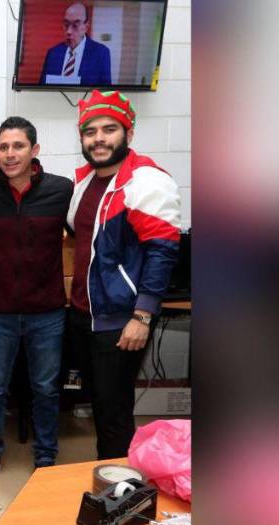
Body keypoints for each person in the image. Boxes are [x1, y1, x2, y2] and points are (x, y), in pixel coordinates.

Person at [66, 90, 181, 459]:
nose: (98, 138)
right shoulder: (85, 182)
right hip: (85, 314)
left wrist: (142, 316)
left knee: (113, 412)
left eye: (109, 129)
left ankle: (120, 485)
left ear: (128, 133)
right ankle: (112, 473)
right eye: (90, 131)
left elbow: (162, 251)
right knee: (100, 403)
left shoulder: (145, 181)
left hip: (121, 319)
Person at [0, 117, 74, 488]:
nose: (10, 154)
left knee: (45, 389)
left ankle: (46, 457)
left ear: (35, 150)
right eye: (3, 147)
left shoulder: (62, 190)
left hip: (47, 311)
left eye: (18, 146)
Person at [40, 2, 112, 86]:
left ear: (86, 27)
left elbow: (106, 90)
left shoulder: (101, 53)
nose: (69, 31)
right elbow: (42, 86)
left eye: (75, 25)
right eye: (66, 25)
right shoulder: (53, 53)